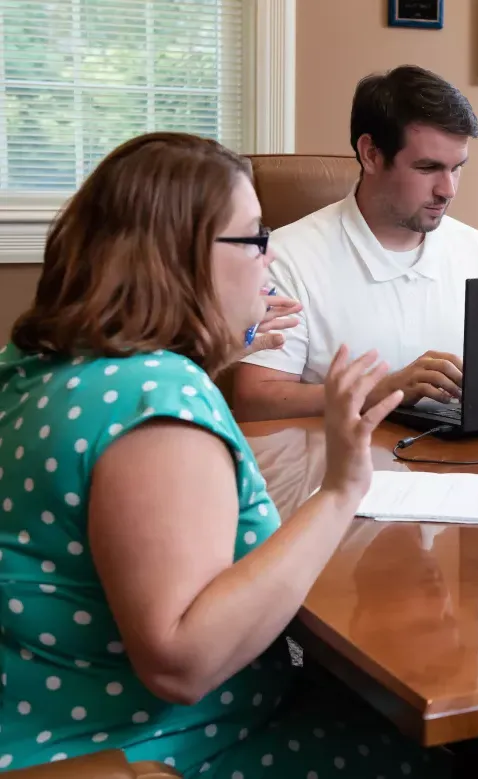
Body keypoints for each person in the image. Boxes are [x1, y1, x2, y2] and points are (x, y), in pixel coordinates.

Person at [0, 132, 450, 777]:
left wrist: (210, 347)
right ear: (181, 259)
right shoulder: (154, 399)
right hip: (163, 744)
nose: (268, 260)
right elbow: (182, 662)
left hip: (34, 712)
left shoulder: (34, 367)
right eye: (254, 239)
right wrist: (341, 492)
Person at [231, 65, 478, 423]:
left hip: (469, 467)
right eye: (427, 168)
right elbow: (255, 397)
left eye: (456, 168)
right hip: (340, 469)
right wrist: (379, 391)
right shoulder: (288, 258)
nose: (447, 190)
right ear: (371, 154)